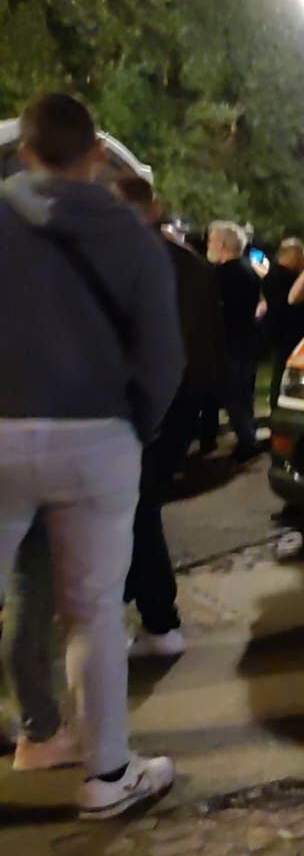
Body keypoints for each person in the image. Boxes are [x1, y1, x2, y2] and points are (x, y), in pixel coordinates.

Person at [0, 92, 181, 818]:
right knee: (93, 612)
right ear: (97, 155)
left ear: (24, 152)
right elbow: (162, 354)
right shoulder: (133, 237)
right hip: (97, 434)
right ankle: (106, 775)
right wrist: (137, 422)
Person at [110, 177, 224, 655]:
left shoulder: (141, 264)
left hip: (153, 405)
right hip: (181, 401)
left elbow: (154, 347)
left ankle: (156, 616)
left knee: (136, 509)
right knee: (140, 507)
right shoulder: (189, 265)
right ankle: (151, 612)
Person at [205, 220, 263, 461]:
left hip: (229, 342)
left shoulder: (220, 275)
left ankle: (247, 441)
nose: (208, 245)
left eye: (211, 240)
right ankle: (248, 436)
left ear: (222, 244)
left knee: (232, 394)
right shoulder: (249, 271)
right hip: (247, 340)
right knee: (243, 393)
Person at [261, 238, 304, 409]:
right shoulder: (288, 277)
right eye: (300, 256)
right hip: (290, 333)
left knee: (278, 371)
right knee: (282, 372)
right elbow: (299, 300)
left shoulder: (271, 276)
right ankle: (279, 403)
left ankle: (276, 403)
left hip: (276, 332)